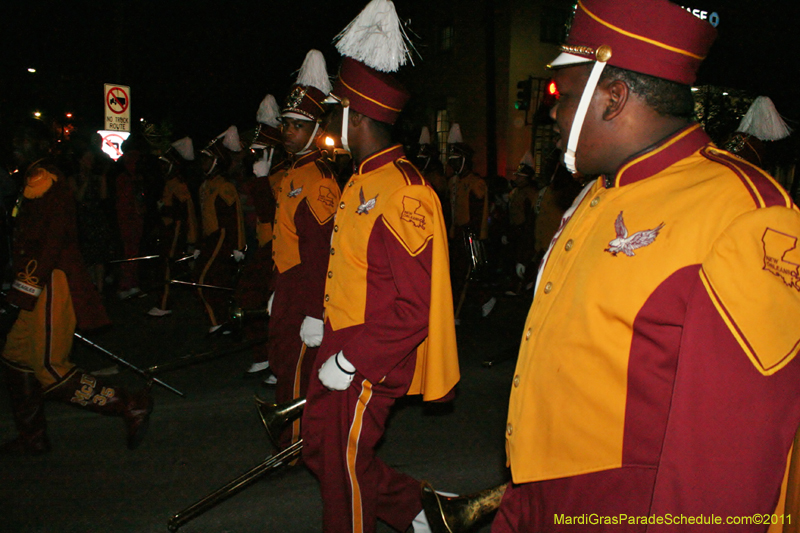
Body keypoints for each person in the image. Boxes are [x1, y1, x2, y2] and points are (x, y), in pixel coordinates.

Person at [488, 0, 800, 530]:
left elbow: (728, 463)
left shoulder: (743, 212)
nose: (552, 113)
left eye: (561, 95)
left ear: (612, 98)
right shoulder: (596, 193)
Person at [300, 1, 460, 531]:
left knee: (344, 472)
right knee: (321, 454)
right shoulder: (362, 178)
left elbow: (414, 307)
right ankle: (421, 509)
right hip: (343, 343)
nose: (327, 121)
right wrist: (327, 324)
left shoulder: (402, 190)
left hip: (371, 358)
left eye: (333, 111)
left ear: (354, 114)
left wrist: (352, 361)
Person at [0, 119, 153, 455]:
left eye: (23, 139)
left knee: (50, 368)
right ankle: (33, 437)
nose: (16, 145)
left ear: (40, 146)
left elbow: (50, 240)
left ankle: (129, 404)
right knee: (15, 356)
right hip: (37, 279)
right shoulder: (34, 177)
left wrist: (26, 287)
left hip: (50, 279)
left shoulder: (44, 179)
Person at [267, 49, 341, 443]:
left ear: (315, 128)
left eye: (298, 125)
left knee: (297, 369)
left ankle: (295, 443)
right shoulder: (295, 170)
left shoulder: (319, 179)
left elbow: (321, 252)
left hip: (305, 288)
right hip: (289, 284)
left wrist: (315, 311)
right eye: (286, 124)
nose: (288, 132)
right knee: (283, 360)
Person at [234, 94, 284, 379]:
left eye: (264, 151)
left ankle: (277, 360)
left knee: (275, 307)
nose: (258, 156)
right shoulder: (266, 175)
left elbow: (272, 215)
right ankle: (265, 355)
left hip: (281, 249)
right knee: (254, 300)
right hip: (265, 246)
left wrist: (263, 181)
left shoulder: (283, 176)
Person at [195, 126, 246, 334]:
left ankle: (219, 321)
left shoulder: (225, 187)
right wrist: (199, 244)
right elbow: (202, 219)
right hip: (210, 239)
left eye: (207, 159)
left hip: (222, 238)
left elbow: (234, 219)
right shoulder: (204, 186)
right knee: (214, 282)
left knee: (203, 279)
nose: (203, 164)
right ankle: (221, 321)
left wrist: (238, 246)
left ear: (216, 162)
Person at [446, 123, 495, 319]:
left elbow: (478, 214)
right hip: (457, 233)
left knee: (467, 273)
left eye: (457, 160)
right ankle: (483, 300)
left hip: (470, 234)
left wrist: (475, 236)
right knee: (459, 274)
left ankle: (457, 313)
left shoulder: (476, 184)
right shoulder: (454, 182)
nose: (453, 164)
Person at [147, 137, 199, 318]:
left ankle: (164, 303)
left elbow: (182, 212)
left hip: (175, 231)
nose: (162, 168)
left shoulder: (178, 184)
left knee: (168, 266)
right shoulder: (171, 182)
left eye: (165, 164)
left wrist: (164, 209)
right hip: (169, 230)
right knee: (170, 267)